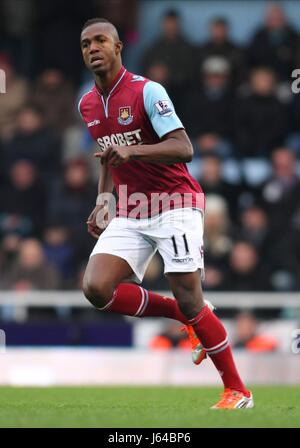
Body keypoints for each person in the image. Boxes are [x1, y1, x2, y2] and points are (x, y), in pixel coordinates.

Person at [78, 17, 253, 409]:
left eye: (101, 40)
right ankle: (186, 316)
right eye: (86, 43)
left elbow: (185, 147)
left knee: (190, 297)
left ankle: (237, 390)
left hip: (174, 201)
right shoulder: (86, 103)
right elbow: (108, 155)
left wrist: (134, 150)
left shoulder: (146, 91)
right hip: (132, 207)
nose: (93, 48)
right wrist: (103, 201)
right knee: (96, 289)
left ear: (118, 47)